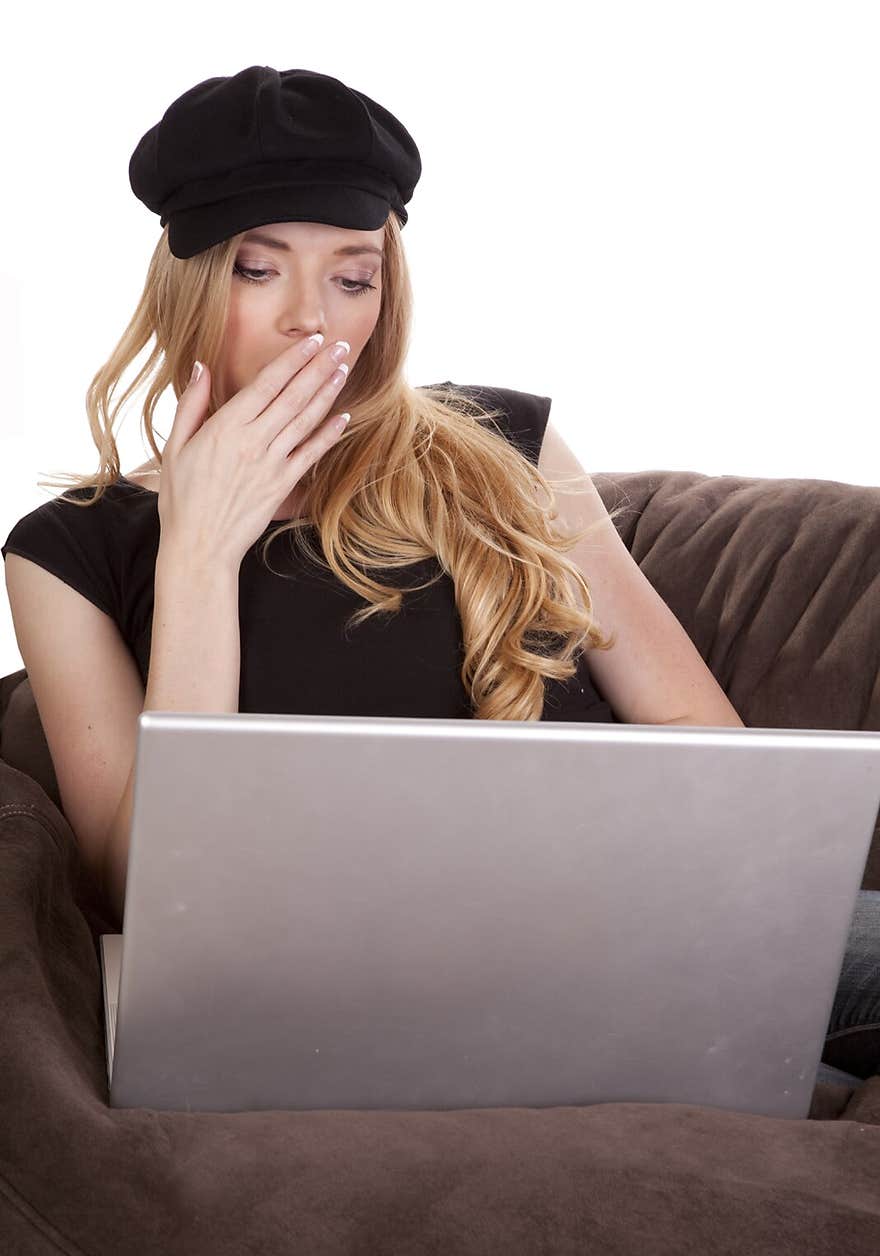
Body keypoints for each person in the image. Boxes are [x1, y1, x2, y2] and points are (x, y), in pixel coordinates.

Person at [2, 66, 877, 1091]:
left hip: (644, 936)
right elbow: (149, 891)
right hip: (350, 998)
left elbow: (708, 751)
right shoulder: (66, 550)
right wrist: (199, 550)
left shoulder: (507, 444)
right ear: (189, 280)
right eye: (258, 268)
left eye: (352, 275)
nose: (309, 319)